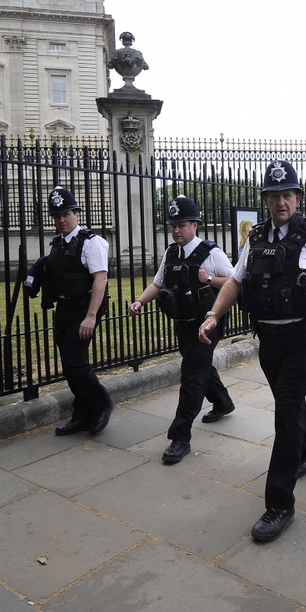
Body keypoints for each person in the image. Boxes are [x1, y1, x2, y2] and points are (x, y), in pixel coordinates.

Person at [198, 159, 306, 543]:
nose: (281, 202)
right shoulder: (257, 237)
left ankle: (279, 504)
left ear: (297, 198)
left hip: (302, 338)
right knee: (291, 404)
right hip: (269, 339)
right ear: (266, 200)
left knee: (285, 411)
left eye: (287, 195)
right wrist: (214, 314)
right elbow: (235, 280)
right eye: (274, 196)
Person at [129, 195, 236, 465]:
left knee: (191, 378)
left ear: (195, 225)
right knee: (198, 368)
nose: (176, 229)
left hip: (206, 325)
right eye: (173, 225)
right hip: (183, 325)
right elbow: (158, 283)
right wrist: (141, 300)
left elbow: (236, 281)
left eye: (182, 224)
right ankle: (223, 402)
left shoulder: (211, 253)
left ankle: (180, 437)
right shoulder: (171, 253)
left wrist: (209, 278)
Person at [45, 186, 114, 437]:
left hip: (83, 309)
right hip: (64, 309)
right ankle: (82, 414)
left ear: (76, 213)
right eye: (57, 215)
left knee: (75, 362)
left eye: (66, 214)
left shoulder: (92, 243)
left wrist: (91, 316)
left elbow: (100, 279)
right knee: (69, 364)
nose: (61, 219)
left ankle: (102, 403)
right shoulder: (58, 244)